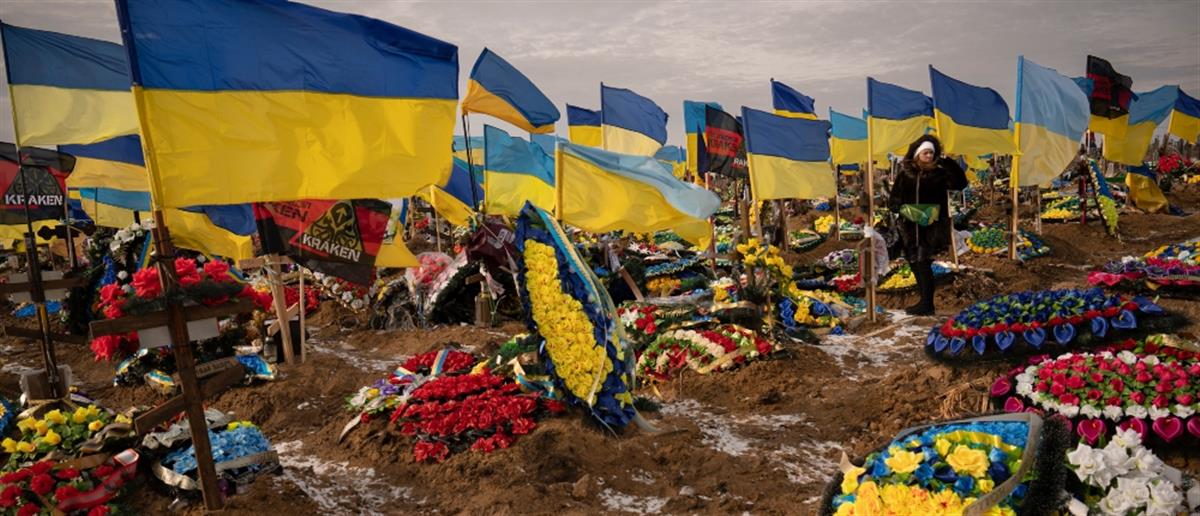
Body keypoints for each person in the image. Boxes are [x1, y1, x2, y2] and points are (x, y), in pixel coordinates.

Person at [888, 135, 968, 316]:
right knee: (914, 263)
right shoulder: (905, 174)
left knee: (923, 263)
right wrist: (903, 209)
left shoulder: (939, 174)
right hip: (909, 227)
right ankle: (923, 301)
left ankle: (927, 304)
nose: (929, 156)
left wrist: (948, 162)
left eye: (931, 153)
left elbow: (960, 184)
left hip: (930, 227)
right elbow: (894, 199)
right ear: (917, 154)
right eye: (926, 152)